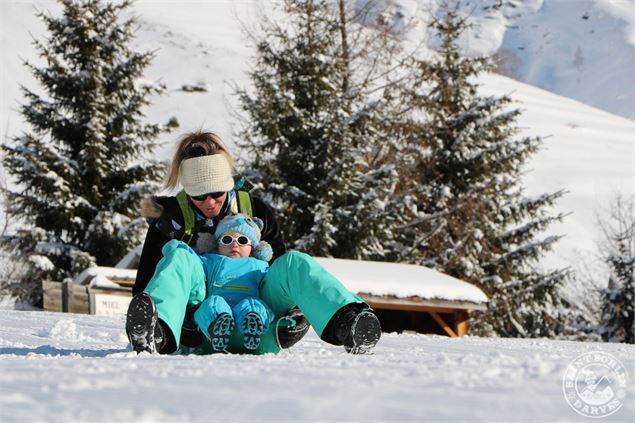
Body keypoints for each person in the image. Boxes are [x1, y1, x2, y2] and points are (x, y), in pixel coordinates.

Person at [127, 130, 381, 355]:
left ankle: (348, 322)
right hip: (198, 327)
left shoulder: (256, 210)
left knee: (294, 262)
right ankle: (156, 331)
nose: (209, 202)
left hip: (258, 320)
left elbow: (278, 272)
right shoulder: (171, 220)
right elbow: (146, 286)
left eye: (216, 193)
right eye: (199, 195)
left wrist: (293, 313)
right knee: (179, 257)